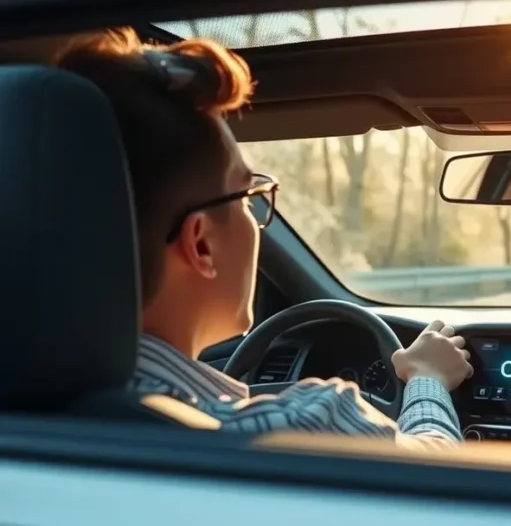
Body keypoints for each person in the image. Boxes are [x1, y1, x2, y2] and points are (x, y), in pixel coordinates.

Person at [55, 28, 472, 448]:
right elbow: (443, 471)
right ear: (201, 243)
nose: (254, 216)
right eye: (247, 195)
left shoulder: (30, 414)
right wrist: (427, 379)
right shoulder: (299, 429)